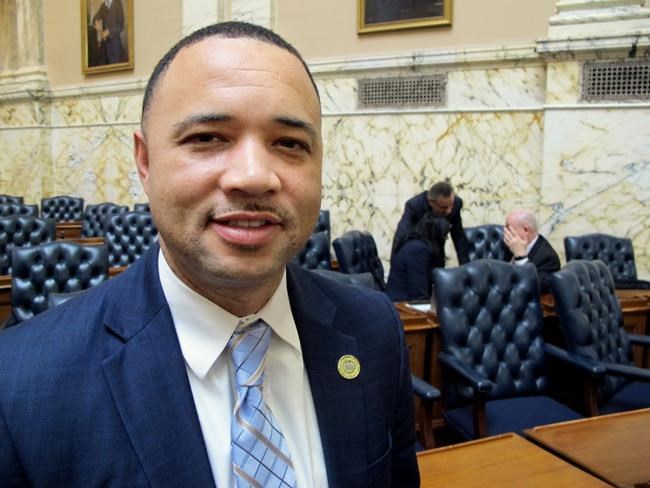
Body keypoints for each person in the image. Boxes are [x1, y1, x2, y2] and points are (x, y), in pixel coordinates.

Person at [0, 22, 419, 487]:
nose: (253, 176)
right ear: (145, 161)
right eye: (207, 137)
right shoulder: (20, 385)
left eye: (289, 143)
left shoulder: (374, 330)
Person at [391, 181, 470, 264]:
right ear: (431, 202)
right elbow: (401, 237)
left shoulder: (456, 204)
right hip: (419, 252)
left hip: (439, 250)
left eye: (451, 205)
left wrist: (466, 267)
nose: (449, 211)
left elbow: (459, 237)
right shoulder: (414, 206)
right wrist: (395, 267)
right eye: (444, 207)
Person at [385, 214, 450, 301]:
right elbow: (419, 294)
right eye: (445, 236)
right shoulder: (418, 250)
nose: (446, 239)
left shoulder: (415, 244)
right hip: (401, 304)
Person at [503, 209, 561, 293]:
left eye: (509, 229)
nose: (505, 233)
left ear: (526, 230)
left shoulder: (548, 258)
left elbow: (532, 288)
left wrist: (520, 257)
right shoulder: (507, 245)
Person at [91, 0, 126, 66]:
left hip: (115, 46)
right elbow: (96, 17)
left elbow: (121, 26)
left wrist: (109, 32)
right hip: (104, 46)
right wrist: (96, 21)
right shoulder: (103, 5)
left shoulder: (118, 3)